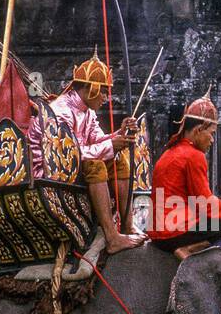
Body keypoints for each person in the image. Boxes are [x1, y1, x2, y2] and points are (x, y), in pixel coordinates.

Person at [28, 51, 146, 254]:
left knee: (120, 162)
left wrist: (120, 134)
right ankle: (112, 237)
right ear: (90, 89)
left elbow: (97, 140)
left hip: (73, 165)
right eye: (103, 91)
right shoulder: (61, 112)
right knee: (96, 165)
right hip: (50, 170)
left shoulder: (87, 111)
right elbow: (70, 155)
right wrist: (111, 145)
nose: (106, 98)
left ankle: (127, 225)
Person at [149, 90, 221, 259]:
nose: (212, 140)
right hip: (174, 232)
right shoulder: (193, 155)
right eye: (211, 134)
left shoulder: (169, 152)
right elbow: (206, 204)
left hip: (157, 233)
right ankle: (191, 249)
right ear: (198, 130)